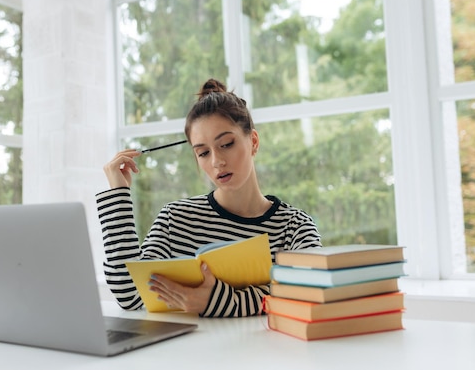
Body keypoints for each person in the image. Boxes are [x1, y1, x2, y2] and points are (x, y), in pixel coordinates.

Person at [96, 78, 321, 318]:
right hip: (188, 355)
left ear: (253, 141)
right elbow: (130, 295)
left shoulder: (295, 227)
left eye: (226, 144)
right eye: (203, 152)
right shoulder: (176, 219)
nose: (216, 161)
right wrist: (118, 198)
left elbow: (309, 292)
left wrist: (218, 301)